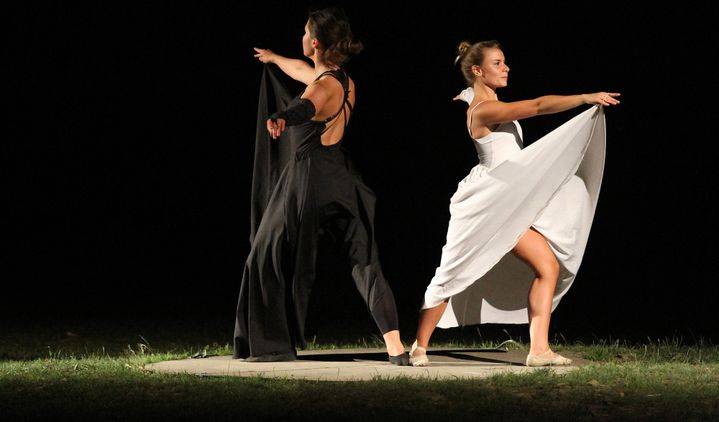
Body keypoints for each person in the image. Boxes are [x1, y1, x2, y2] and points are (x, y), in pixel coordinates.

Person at [409, 40, 620, 367]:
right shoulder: (484, 110)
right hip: (488, 202)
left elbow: (480, 100)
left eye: (504, 61)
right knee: (452, 272)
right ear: (478, 70)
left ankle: (539, 350)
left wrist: (466, 92)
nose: (506, 67)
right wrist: (584, 97)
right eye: (497, 63)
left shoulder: (483, 102)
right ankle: (419, 346)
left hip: (509, 200)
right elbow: (536, 106)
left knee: (547, 266)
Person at [234, 6, 409, 365]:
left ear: (314, 42)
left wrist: (283, 115)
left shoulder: (321, 87)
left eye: (303, 32)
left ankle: (271, 346)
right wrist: (273, 58)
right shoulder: (343, 80)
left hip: (309, 178)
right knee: (365, 262)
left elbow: (307, 103)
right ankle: (396, 348)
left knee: (263, 255)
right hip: (342, 180)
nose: (299, 37)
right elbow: (303, 73)